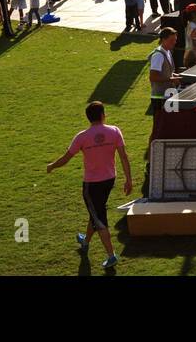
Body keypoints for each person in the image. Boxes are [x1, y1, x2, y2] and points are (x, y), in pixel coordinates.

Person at [46, 101, 133, 271]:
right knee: (96, 212)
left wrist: (51, 166)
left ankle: (111, 256)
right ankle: (85, 242)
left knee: (99, 217)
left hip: (92, 184)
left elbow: (66, 158)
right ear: (103, 115)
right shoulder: (115, 131)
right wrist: (129, 179)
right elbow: (123, 156)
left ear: (89, 118)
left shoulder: (82, 137)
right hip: (110, 180)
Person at [148, 29, 180, 114]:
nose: (174, 42)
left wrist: (175, 75)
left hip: (168, 94)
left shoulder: (168, 51)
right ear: (163, 40)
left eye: (175, 40)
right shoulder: (158, 55)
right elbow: (153, 77)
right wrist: (171, 79)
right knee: (162, 124)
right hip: (160, 97)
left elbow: (166, 72)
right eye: (171, 40)